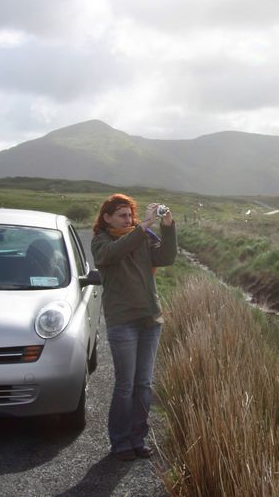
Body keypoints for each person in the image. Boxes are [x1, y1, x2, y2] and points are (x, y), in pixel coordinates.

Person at [91, 193, 177, 461]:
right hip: (123, 321)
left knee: (143, 384)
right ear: (107, 218)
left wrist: (167, 226)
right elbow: (113, 254)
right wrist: (142, 229)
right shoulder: (101, 242)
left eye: (131, 215)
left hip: (150, 320)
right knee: (125, 385)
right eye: (122, 215)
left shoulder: (142, 237)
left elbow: (166, 258)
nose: (128, 219)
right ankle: (119, 442)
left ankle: (138, 439)